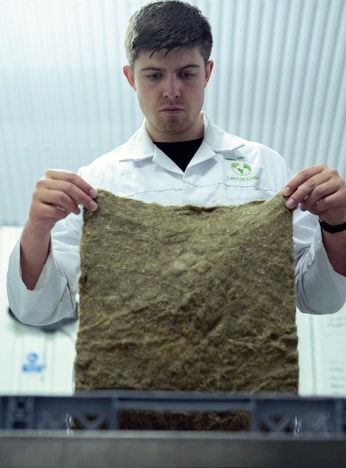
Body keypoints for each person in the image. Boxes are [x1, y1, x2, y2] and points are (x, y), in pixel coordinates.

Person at [7, 0, 346, 327]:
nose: (171, 90)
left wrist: (336, 223)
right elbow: (38, 310)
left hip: (244, 380)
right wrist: (37, 229)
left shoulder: (264, 167)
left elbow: (318, 298)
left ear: (208, 72)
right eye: (154, 76)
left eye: (186, 73)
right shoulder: (98, 181)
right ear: (131, 78)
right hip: (132, 382)